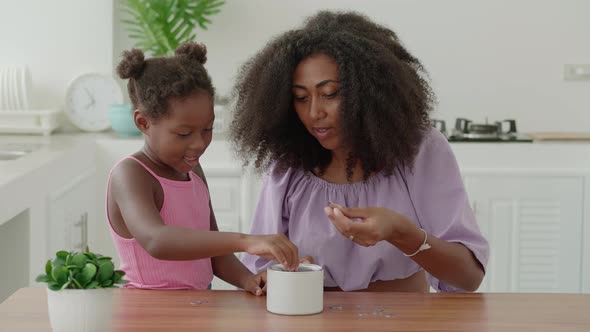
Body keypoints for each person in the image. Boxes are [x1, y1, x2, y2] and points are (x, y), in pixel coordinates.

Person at [231, 11, 489, 292]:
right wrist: (282, 273)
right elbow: (257, 271)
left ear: (367, 93)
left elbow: (468, 277)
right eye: (301, 98)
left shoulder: (419, 149)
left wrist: (402, 234)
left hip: (406, 319)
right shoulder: (289, 163)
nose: (315, 112)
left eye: (330, 93)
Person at [108, 42, 300, 295]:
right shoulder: (131, 174)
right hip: (148, 309)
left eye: (207, 130)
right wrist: (246, 241)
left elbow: (213, 253)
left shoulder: (193, 171)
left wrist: (248, 280)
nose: (199, 144)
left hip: (198, 304)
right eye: (184, 133)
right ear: (143, 122)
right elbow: (157, 240)